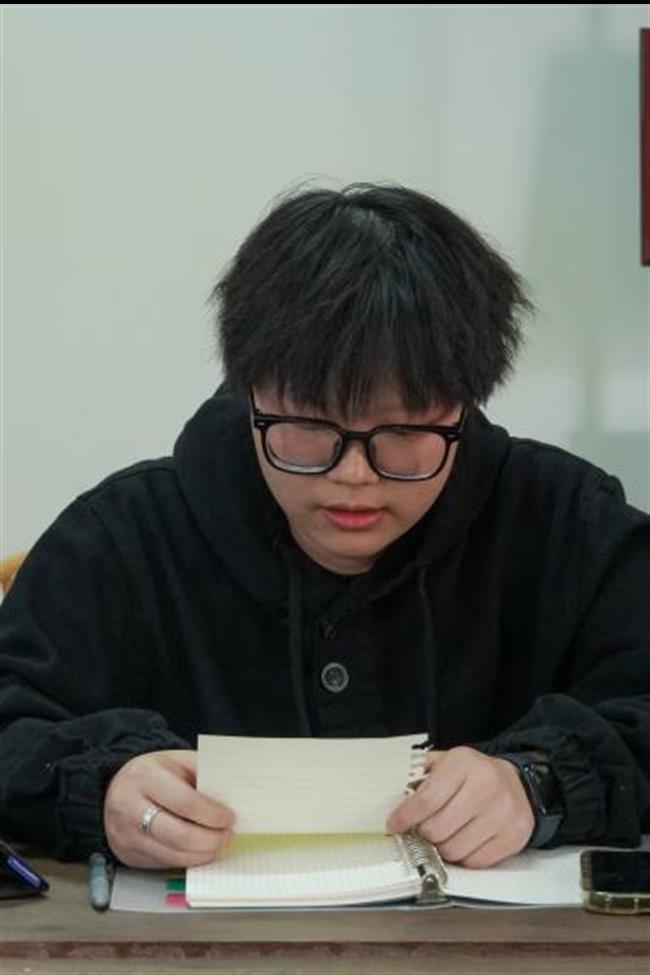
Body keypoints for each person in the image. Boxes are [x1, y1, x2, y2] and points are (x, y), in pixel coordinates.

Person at [1, 182, 648, 872]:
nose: (354, 475)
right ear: (250, 392)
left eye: (404, 430)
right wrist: (102, 788)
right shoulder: (122, 538)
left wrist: (540, 783)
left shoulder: (567, 523)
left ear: (464, 403)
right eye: (310, 426)